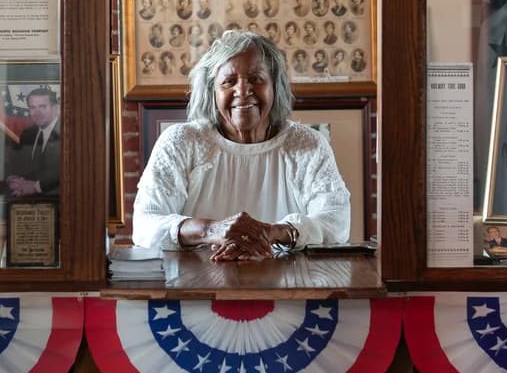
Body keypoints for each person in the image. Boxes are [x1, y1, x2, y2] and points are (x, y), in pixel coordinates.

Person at [132, 31, 350, 258]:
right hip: (195, 288)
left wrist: (273, 232)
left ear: (275, 86)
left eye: (256, 79)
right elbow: (145, 225)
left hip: (289, 287)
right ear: (212, 91)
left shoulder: (309, 145)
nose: (243, 91)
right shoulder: (181, 142)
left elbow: (336, 222)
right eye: (228, 82)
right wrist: (211, 230)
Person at [6, 87, 61, 197]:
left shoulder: (67, 132)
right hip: (28, 200)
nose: (37, 113)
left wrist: (36, 187)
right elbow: (13, 163)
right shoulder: (28, 133)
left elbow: (64, 170)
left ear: (55, 108)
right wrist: (13, 180)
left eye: (42, 107)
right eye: (32, 107)